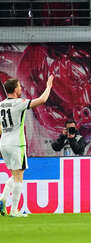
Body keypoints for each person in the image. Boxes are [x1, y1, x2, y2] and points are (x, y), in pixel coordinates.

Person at [0, 75, 54, 217]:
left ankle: (3, 199)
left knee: (15, 174)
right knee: (19, 177)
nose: (21, 88)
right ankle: (14, 211)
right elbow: (42, 100)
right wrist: (48, 86)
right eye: (19, 86)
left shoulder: (1, 105)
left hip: (4, 143)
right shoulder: (19, 102)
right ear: (14, 89)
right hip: (17, 144)